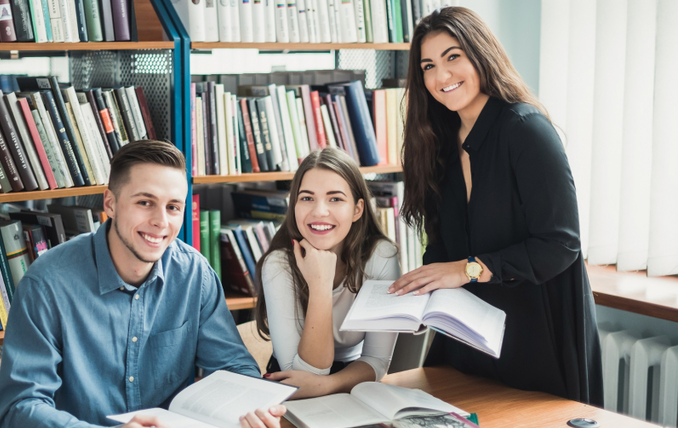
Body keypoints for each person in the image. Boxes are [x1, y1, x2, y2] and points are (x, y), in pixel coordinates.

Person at [0, 140, 286, 428]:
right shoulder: (47, 284)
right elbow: (19, 411)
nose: (161, 221)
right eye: (146, 202)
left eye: (173, 206)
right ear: (111, 203)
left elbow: (234, 367)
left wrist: (250, 412)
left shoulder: (194, 274)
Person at [391, 6, 603, 405]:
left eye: (453, 57)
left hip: (537, 340)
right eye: (428, 65)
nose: (441, 76)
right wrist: (422, 295)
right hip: (467, 344)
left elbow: (560, 245)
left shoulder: (525, 129)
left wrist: (466, 269)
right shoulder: (438, 141)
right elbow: (441, 246)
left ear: (480, 54)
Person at [254, 148, 401, 399]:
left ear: (357, 209)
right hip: (290, 381)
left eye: (335, 199)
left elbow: (377, 360)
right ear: (294, 205)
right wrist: (319, 285)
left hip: (354, 378)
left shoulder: (381, 258)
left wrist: (328, 385)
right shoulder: (279, 264)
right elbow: (304, 373)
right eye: (307, 198)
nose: (319, 211)